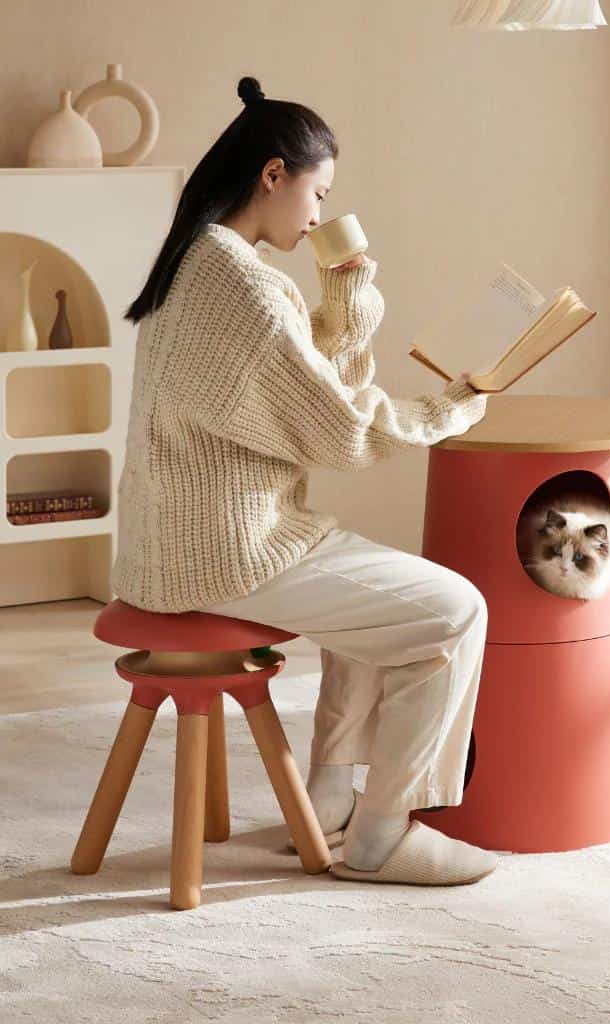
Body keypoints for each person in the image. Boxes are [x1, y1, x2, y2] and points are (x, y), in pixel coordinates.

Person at [114, 75, 498, 886]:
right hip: (228, 554)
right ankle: (385, 834)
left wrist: (349, 302)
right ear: (274, 175)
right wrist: (451, 409)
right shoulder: (243, 285)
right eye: (317, 192)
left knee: (379, 600)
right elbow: (342, 429)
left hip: (173, 546)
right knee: (455, 610)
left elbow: (298, 385)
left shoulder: (197, 264)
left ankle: (325, 801)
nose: (320, 215)